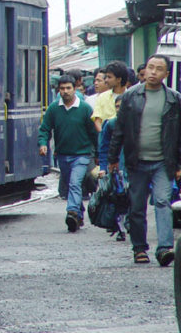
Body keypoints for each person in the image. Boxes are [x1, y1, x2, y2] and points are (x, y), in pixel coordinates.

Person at [108, 54, 181, 266]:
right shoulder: (131, 96)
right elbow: (119, 130)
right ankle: (139, 248)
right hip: (136, 161)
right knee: (137, 206)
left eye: (158, 69)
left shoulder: (174, 99)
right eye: (150, 67)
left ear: (166, 74)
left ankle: (165, 248)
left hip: (162, 162)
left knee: (162, 201)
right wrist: (113, 159)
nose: (152, 72)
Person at [38, 75, 98, 232]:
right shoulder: (53, 108)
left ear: (75, 89)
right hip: (62, 156)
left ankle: (71, 211)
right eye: (62, 89)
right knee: (71, 184)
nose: (65, 92)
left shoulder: (85, 109)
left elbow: (94, 133)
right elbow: (45, 129)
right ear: (58, 90)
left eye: (68, 88)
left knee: (74, 183)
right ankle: (78, 214)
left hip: (82, 155)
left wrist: (99, 154)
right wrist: (43, 144)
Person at [97, 95, 126, 241]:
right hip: (116, 169)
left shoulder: (138, 124)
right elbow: (104, 148)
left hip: (133, 168)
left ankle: (129, 224)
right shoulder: (110, 124)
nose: (119, 109)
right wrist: (103, 167)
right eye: (117, 106)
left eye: (122, 106)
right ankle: (121, 228)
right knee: (118, 198)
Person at [92, 60, 128, 133]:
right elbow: (97, 120)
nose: (106, 80)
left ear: (119, 79)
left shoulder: (131, 96)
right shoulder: (102, 97)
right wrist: (104, 135)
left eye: (109, 77)